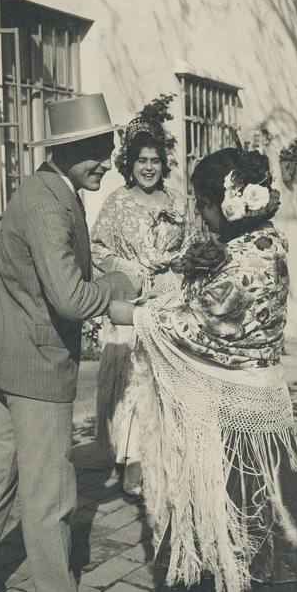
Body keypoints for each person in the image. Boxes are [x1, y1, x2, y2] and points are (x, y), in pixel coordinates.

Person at [108, 146, 297, 592]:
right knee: (256, 512)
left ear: (228, 204)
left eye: (204, 206)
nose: (201, 216)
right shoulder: (262, 240)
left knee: (250, 518)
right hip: (259, 402)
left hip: (242, 413)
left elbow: (198, 322)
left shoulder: (247, 259)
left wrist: (130, 313)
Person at [0, 94, 141, 592]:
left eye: (108, 148)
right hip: (36, 365)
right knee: (51, 492)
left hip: (7, 356)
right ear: (67, 149)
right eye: (95, 152)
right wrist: (121, 287)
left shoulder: (48, 190)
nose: (106, 161)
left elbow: (53, 272)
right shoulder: (50, 202)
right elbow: (72, 300)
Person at [90, 116, 193, 497]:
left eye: (154, 160)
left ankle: (165, 454)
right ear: (129, 165)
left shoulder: (178, 204)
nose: (149, 167)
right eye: (141, 161)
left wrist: (175, 270)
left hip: (167, 299)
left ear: (163, 164)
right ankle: (132, 458)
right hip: (130, 299)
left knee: (164, 378)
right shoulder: (117, 203)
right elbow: (97, 247)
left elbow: (190, 247)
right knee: (133, 377)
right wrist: (129, 271)